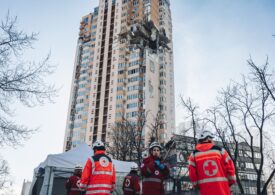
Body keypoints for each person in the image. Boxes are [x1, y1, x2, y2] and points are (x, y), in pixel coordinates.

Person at [188, 130, 237, 195]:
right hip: (222, 189)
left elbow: (192, 175)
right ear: (209, 139)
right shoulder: (220, 151)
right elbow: (230, 168)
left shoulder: (193, 155)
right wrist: (231, 182)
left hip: (205, 190)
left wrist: (197, 185)